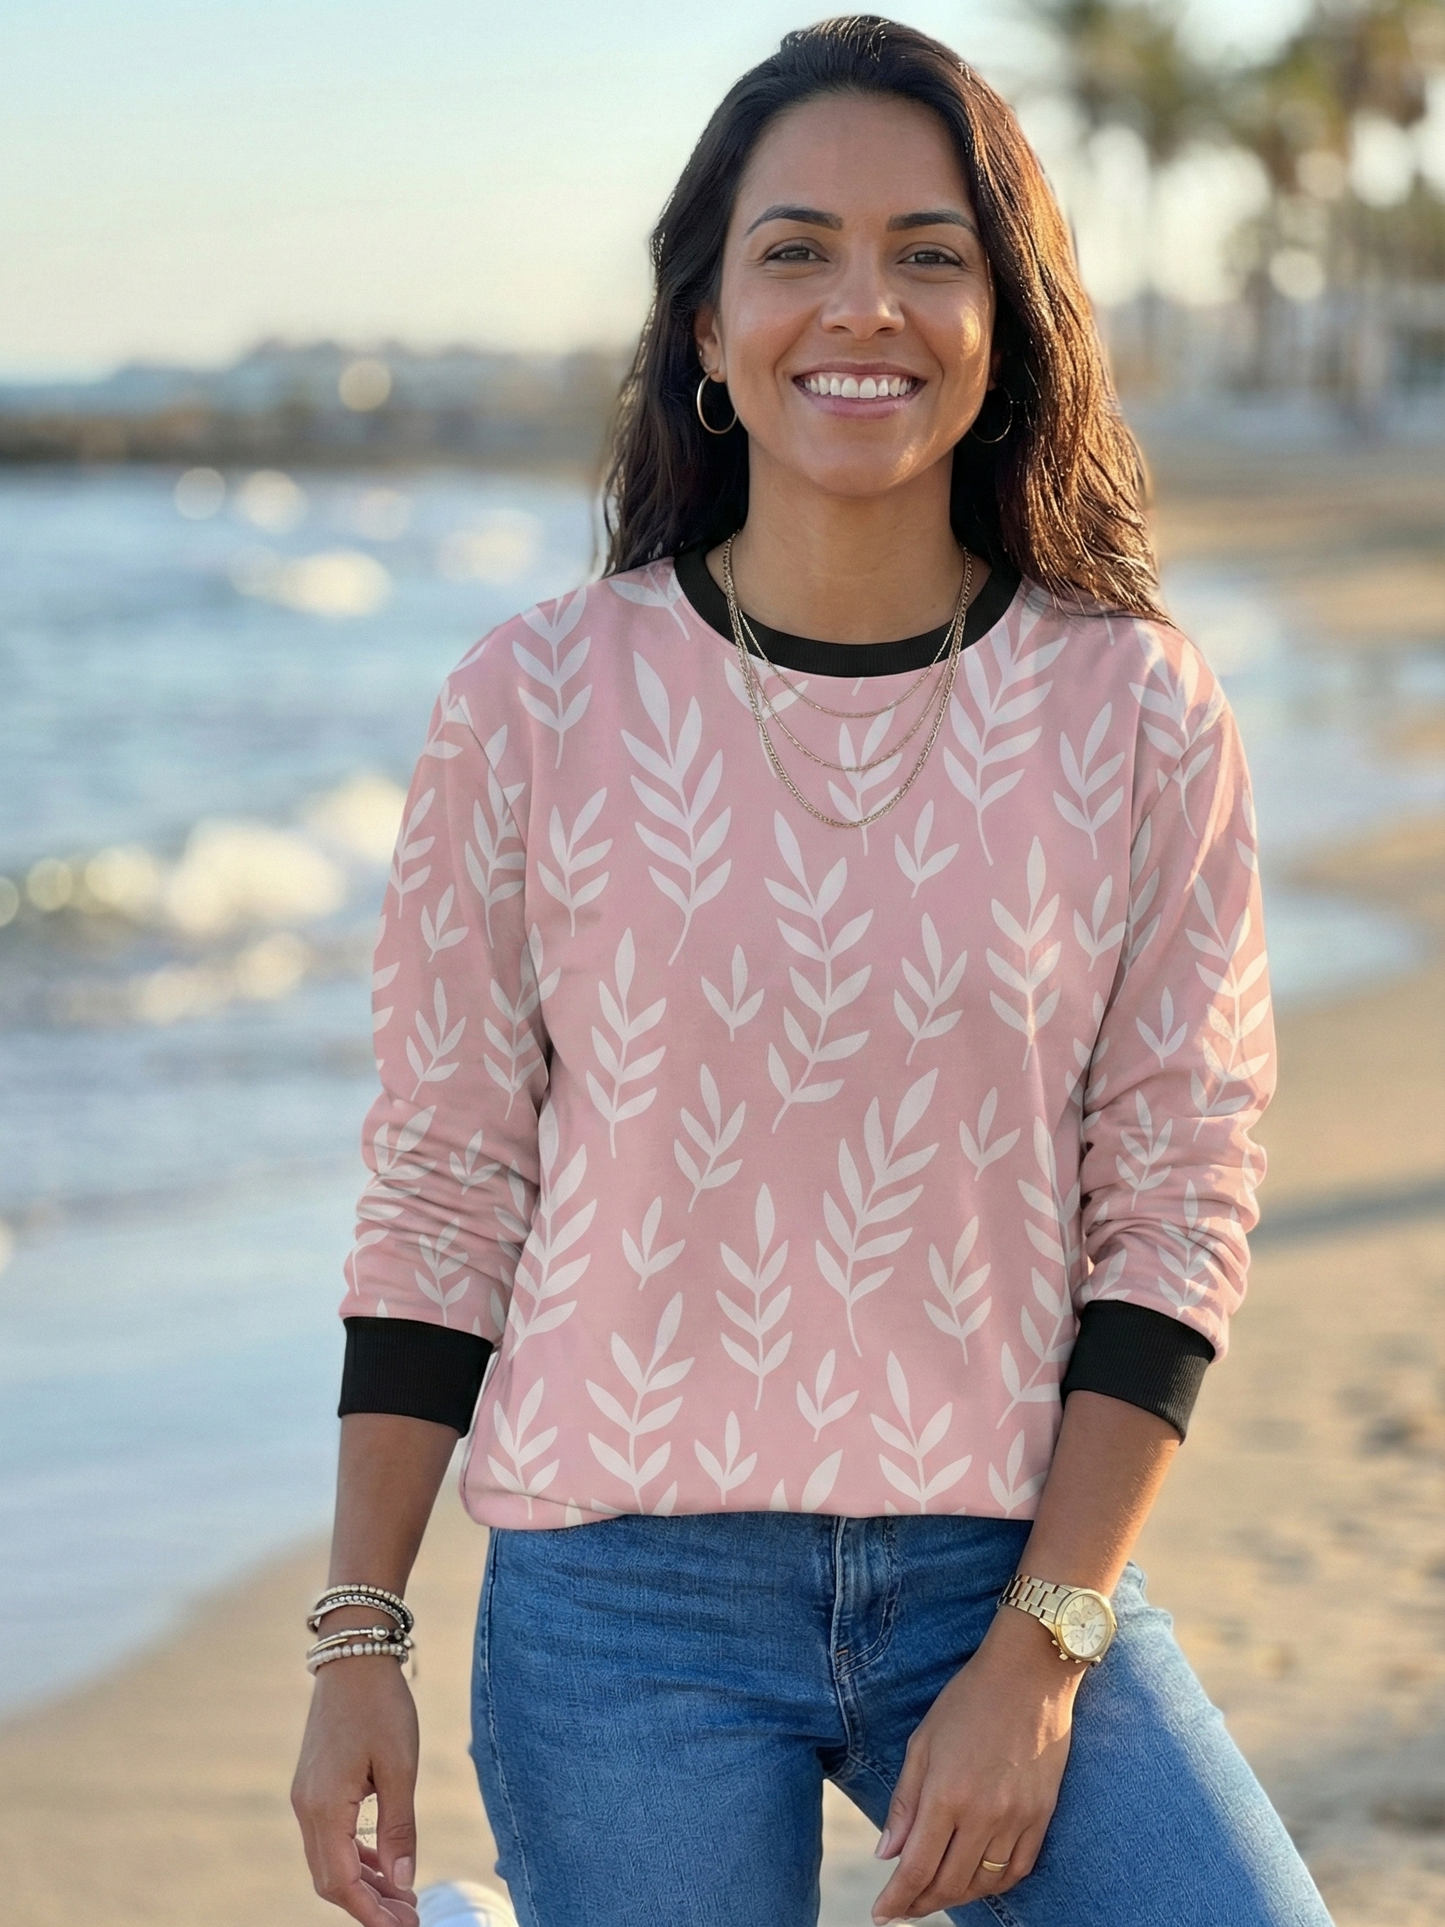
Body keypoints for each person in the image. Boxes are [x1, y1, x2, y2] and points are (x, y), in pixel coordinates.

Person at [291, 18, 1335, 1927]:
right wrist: (361, 1630)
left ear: (1003, 322)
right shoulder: (532, 702)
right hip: (625, 1596)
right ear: (708, 326)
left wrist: (1042, 1644)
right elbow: (446, 1179)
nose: (866, 306)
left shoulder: (1134, 709)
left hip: (1006, 1561)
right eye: (796, 251)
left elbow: (1177, 1193)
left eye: (930, 253)